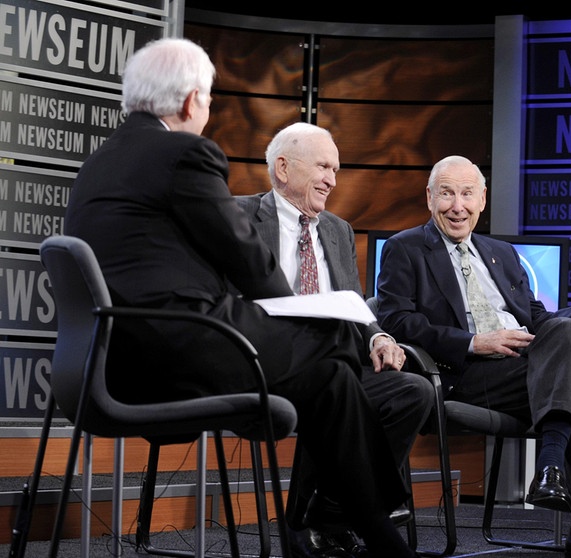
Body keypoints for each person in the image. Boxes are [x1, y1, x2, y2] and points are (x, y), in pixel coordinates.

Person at [63, 38, 415, 558]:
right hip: (179, 350)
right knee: (333, 339)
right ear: (189, 102)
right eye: (208, 101)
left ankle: (371, 530)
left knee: (332, 376)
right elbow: (247, 258)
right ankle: (358, 513)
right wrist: (299, 312)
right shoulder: (182, 153)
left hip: (110, 360)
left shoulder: (101, 161)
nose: (206, 113)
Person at [375, 155, 571, 558]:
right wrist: (475, 342)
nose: (457, 205)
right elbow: (396, 319)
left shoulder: (502, 254)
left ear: (483, 200)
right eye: (446, 194)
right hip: (462, 373)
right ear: (429, 198)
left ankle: (552, 470)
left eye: (467, 194)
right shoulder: (405, 248)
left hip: (525, 369)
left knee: (568, 337)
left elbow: (543, 323)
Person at [236, 122, 434, 556]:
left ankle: (331, 511)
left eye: (337, 170)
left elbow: (355, 306)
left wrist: (379, 336)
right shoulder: (240, 217)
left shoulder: (339, 230)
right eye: (324, 166)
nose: (332, 180)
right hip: (267, 364)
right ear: (283, 168)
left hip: (337, 363)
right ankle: (325, 520)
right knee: (331, 385)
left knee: (413, 392)